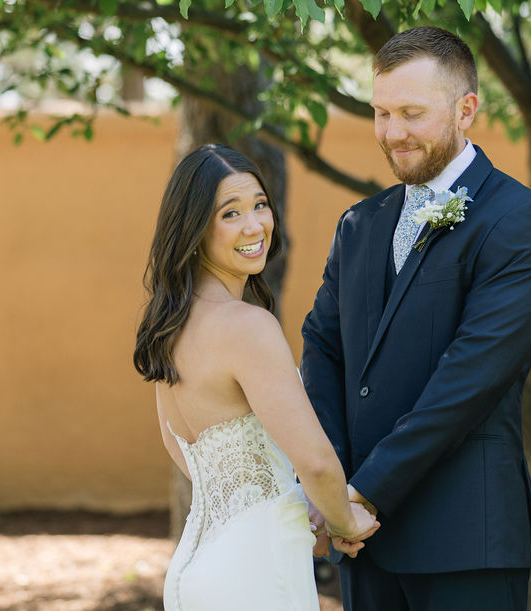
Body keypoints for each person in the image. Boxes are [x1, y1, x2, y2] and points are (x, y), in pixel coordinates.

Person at [301, 26, 531, 610]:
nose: (393, 133)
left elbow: (468, 380)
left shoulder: (520, 221)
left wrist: (366, 494)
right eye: (381, 113)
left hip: (464, 538)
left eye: (412, 113)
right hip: (362, 543)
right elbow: (323, 347)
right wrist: (333, 486)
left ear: (465, 109)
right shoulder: (360, 225)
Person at [133, 144, 378, 611]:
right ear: (194, 228)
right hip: (256, 571)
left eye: (260, 205)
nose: (255, 226)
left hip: (194, 570)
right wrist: (343, 521)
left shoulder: (169, 330)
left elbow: (191, 458)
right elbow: (318, 463)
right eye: (230, 213)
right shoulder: (248, 326)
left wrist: (286, 508)